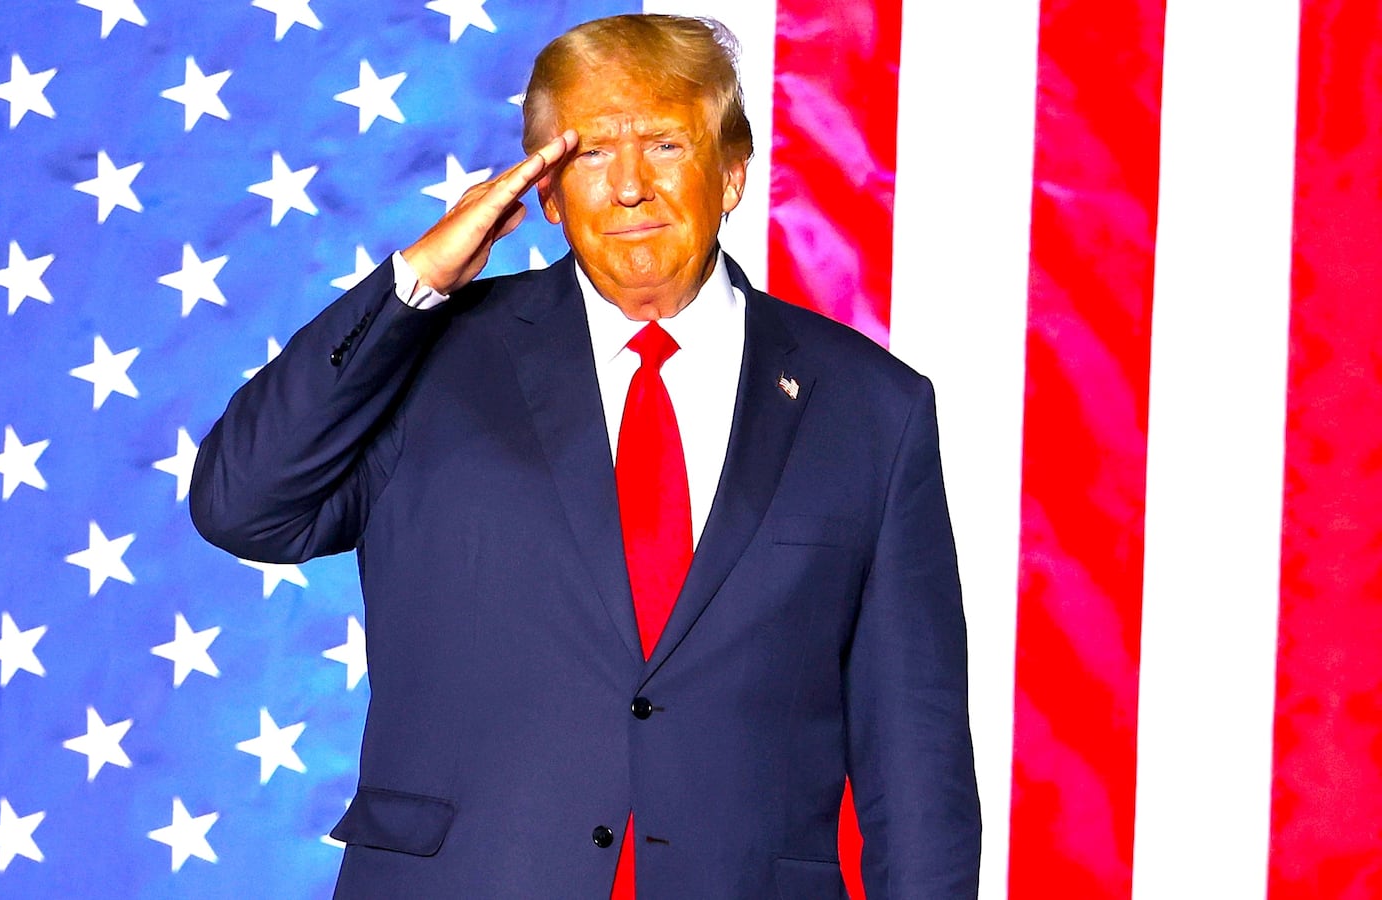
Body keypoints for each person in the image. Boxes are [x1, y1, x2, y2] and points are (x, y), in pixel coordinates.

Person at [191, 13, 980, 899]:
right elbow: (240, 503)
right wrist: (413, 282)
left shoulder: (873, 406)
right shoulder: (425, 359)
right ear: (550, 194)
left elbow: (917, 754)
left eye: (666, 144)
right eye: (591, 154)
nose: (631, 187)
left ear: (732, 172)